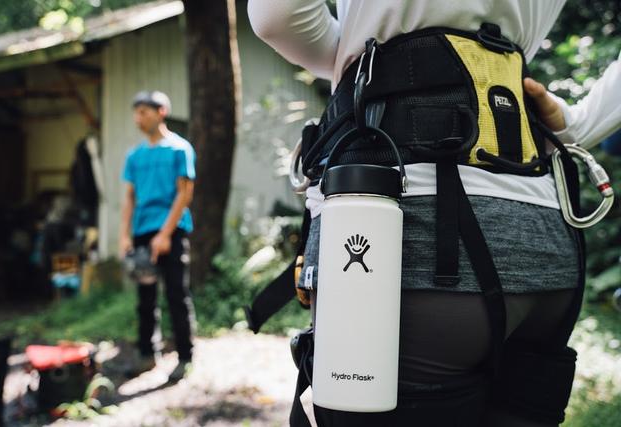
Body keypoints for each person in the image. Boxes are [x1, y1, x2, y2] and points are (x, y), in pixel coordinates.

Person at [248, 1, 621, 426]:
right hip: (547, 240)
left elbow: (277, 17)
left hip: (410, 242)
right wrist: (576, 125)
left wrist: (348, 56)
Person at [119, 90, 196, 381]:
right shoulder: (134, 156)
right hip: (142, 233)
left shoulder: (179, 149)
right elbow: (129, 197)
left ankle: (185, 357)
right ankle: (147, 355)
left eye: (144, 112)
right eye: (135, 113)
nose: (138, 118)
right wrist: (124, 235)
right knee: (145, 298)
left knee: (177, 295)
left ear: (161, 111)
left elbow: (184, 193)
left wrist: (164, 234)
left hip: (172, 232)